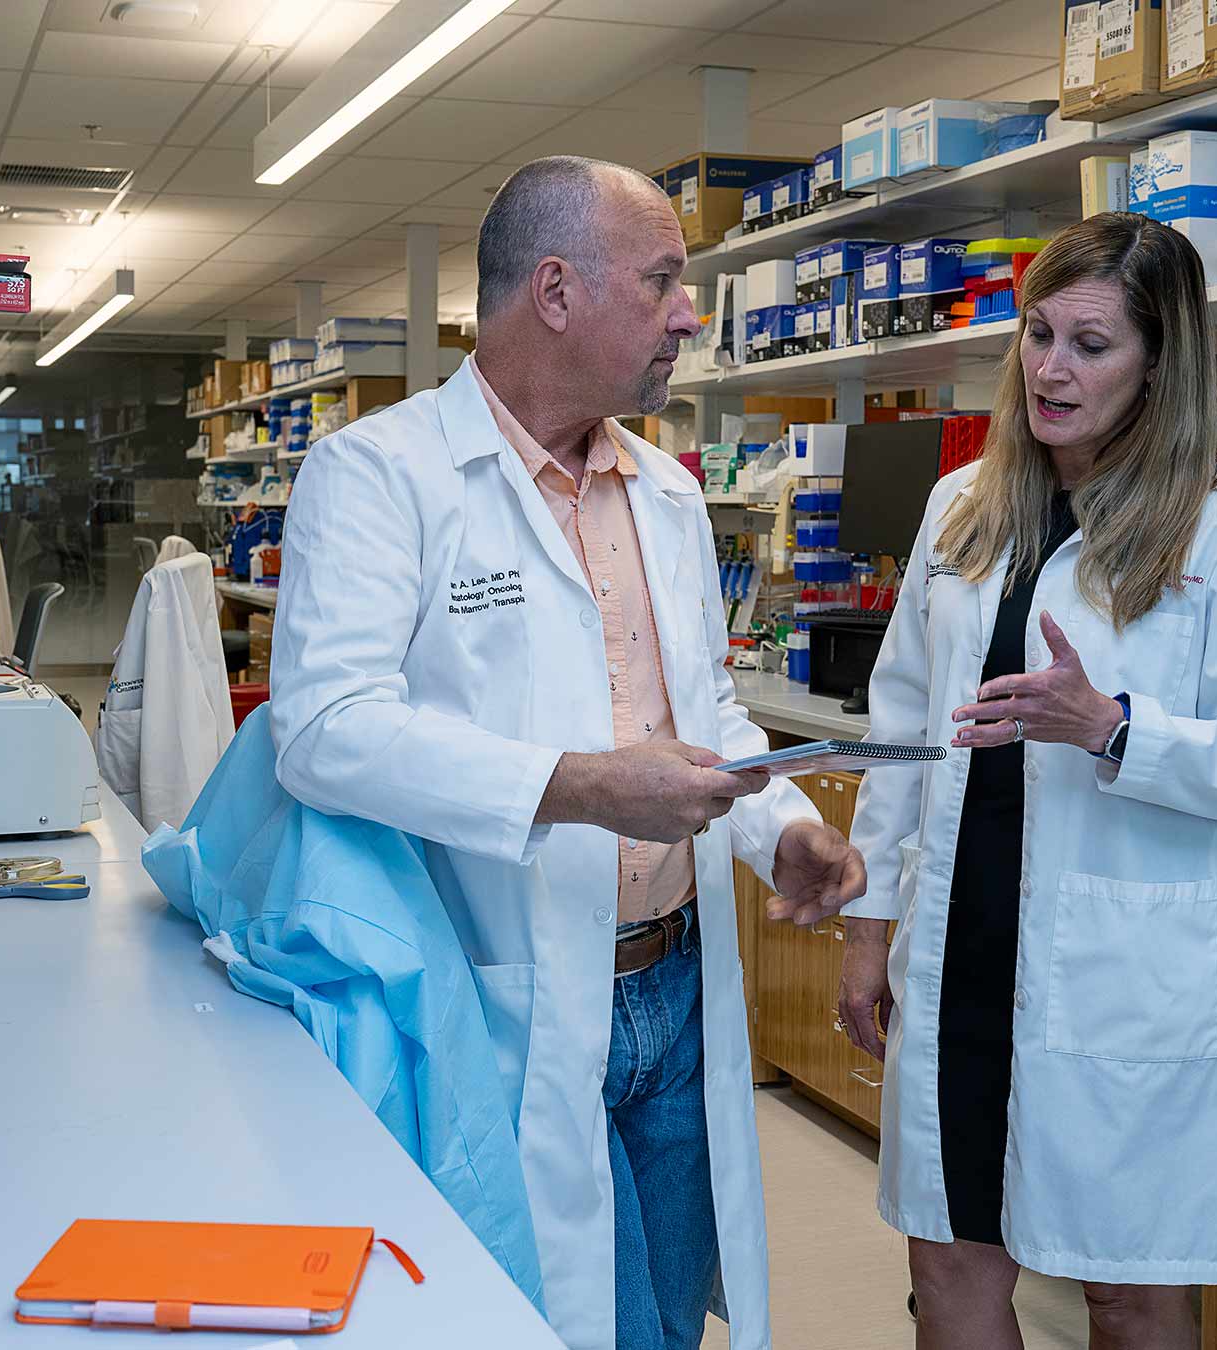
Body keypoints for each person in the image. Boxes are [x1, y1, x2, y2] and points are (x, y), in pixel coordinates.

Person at [268, 156, 867, 1350]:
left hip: (680, 987)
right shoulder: (380, 475)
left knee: (666, 1318)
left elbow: (712, 725)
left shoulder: (668, 494)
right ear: (555, 290)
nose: (690, 315)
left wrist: (778, 828)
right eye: (662, 283)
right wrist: (579, 787)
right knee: (556, 1319)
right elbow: (323, 732)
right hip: (511, 986)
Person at [828, 212, 1217, 1350]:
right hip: (962, 954)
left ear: (1161, 359)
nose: (1052, 369)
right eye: (1038, 333)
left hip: (1123, 973)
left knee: (1131, 1288)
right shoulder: (964, 506)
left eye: (1091, 345)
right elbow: (903, 728)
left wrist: (1111, 728)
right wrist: (869, 926)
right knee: (951, 1265)